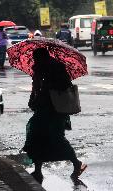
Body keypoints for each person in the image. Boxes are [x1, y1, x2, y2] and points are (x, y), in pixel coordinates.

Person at [23, 48, 87, 184]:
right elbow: (35, 86)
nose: (35, 60)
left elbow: (65, 85)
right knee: (36, 136)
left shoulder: (57, 67)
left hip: (55, 109)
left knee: (57, 138)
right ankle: (38, 170)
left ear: (44, 57)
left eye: (37, 57)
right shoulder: (38, 68)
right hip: (41, 107)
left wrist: (48, 85)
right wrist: (33, 97)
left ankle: (76, 163)